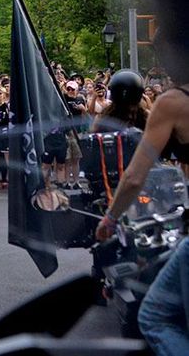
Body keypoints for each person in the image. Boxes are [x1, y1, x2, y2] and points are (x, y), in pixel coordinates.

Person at [95, 59, 189, 354]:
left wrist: (110, 219)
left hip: (141, 187)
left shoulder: (172, 103)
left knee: (155, 316)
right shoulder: (112, 119)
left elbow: (135, 175)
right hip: (127, 185)